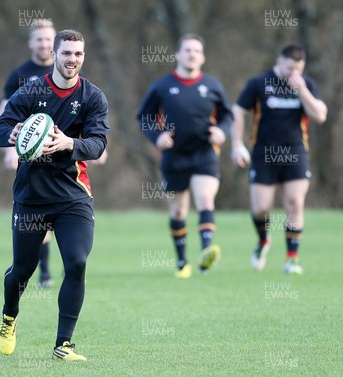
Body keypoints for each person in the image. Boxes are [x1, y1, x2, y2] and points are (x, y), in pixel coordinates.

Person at [0, 29, 109, 361]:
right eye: (66, 53)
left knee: (77, 262)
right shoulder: (31, 91)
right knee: (22, 270)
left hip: (73, 196)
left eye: (78, 54)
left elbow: (99, 144)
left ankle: (64, 344)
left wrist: (69, 143)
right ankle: (9, 317)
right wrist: (12, 133)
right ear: (54, 55)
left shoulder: (93, 97)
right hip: (32, 196)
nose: (72, 59)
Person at [136, 33, 233, 279]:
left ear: (203, 57)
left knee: (205, 199)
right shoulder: (162, 86)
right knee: (179, 211)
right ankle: (182, 262)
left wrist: (221, 131)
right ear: (178, 55)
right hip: (174, 156)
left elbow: (227, 115)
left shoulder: (212, 85)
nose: (192, 54)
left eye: (197, 51)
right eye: (187, 50)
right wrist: (157, 137)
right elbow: (144, 117)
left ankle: (206, 252)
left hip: (205, 153)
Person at [231, 43, 327, 275]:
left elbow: (320, 115)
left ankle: (291, 259)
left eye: (298, 69)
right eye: (290, 68)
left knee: (294, 203)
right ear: (278, 61)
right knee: (261, 209)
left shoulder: (305, 84)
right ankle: (263, 241)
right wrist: (236, 144)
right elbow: (237, 110)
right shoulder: (258, 83)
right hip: (264, 153)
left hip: (296, 152)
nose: (293, 73)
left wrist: (302, 90)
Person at [0, 19, 57, 288]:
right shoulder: (20, 75)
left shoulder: (65, 72)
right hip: (30, 156)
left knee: (57, 214)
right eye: (39, 39)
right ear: (31, 42)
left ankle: (48, 268)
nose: (44, 44)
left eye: (48, 39)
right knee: (37, 213)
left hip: (60, 152)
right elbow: (3, 110)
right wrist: (10, 149)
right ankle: (43, 271)